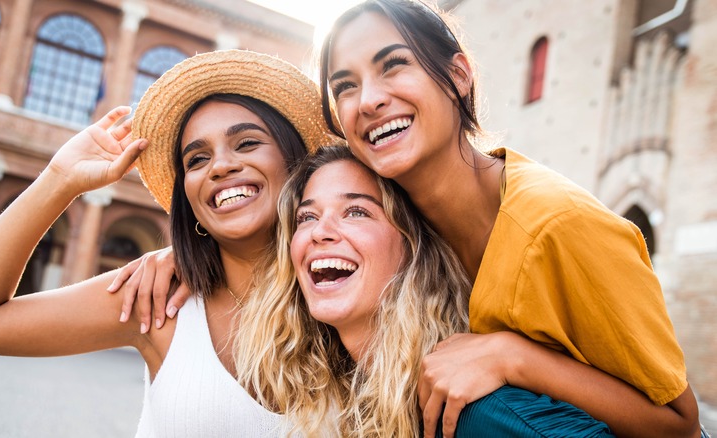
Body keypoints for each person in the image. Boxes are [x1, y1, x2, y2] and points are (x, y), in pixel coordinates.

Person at [315, 0, 702, 437]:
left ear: (459, 76)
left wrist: (512, 357)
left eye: (394, 64)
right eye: (345, 86)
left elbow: (680, 424)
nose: (368, 100)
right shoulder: (395, 228)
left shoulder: (560, 225)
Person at [0, 49, 336, 437]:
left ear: (297, 160)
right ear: (187, 196)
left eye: (247, 143)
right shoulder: (156, 304)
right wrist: (60, 180)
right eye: (195, 160)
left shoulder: (353, 295)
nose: (220, 166)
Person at [234, 144, 614, 437]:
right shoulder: (342, 404)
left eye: (357, 211)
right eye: (307, 217)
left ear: (413, 245)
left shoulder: (476, 410)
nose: (320, 231)